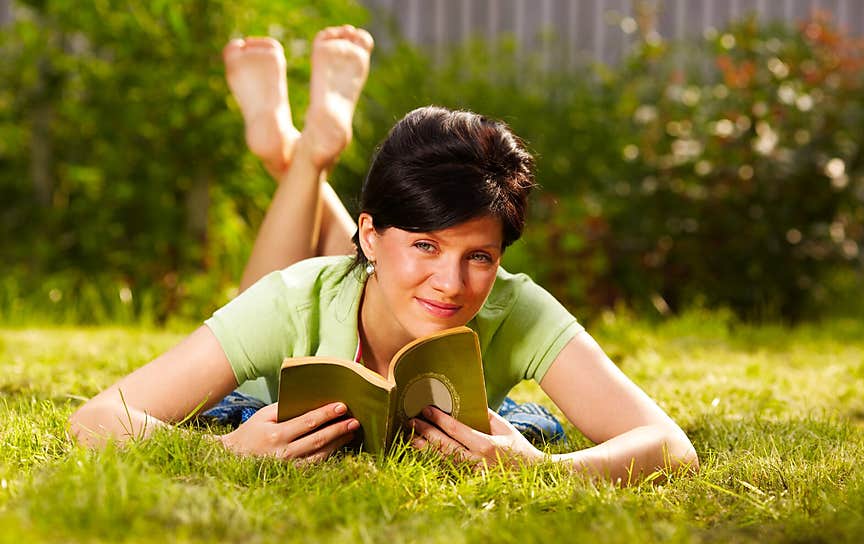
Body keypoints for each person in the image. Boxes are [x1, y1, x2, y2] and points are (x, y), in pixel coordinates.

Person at [69, 25, 699, 485]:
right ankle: (311, 151)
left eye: (479, 256)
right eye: (426, 244)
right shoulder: (296, 298)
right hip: (282, 354)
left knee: (387, 277)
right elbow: (97, 420)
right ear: (366, 233)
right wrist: (227, 453)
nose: (451, 284)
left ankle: (300, 157)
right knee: (278, 290)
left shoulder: (516, 305)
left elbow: (668, 446)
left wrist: (539, 467)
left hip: (361, 274)